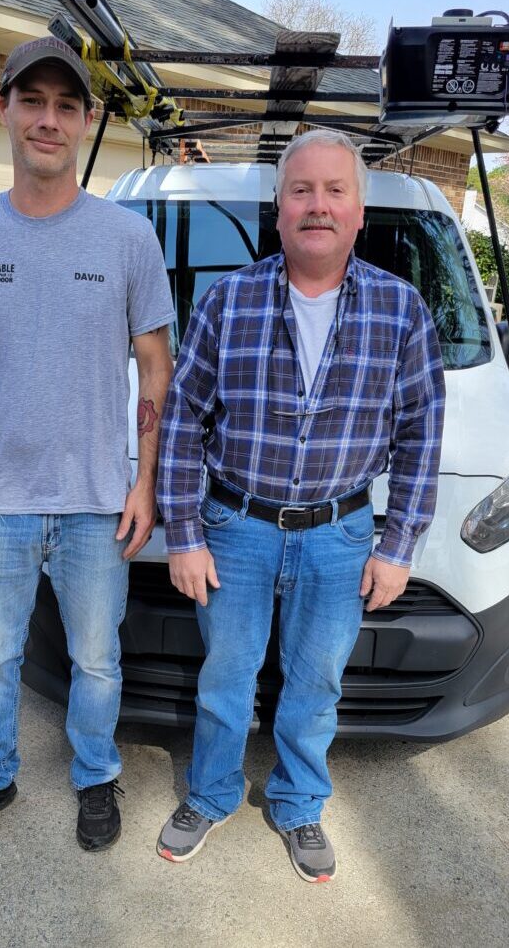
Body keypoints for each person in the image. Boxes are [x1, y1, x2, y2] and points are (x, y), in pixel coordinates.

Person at [155, 129, 445, 882]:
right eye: (301, 190)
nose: (318, 205)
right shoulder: (229, 299)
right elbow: (184, 418)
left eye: (334, 191)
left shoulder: (401, 309)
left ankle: (298, 802)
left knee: (317, 681)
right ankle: (211, 793)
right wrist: (182, 532)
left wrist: (399, 543)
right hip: (236, 528)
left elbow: (420, 434)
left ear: (358, 211)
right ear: (278, 209)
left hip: (339, 533)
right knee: (227, 673)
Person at [0, 37, 175, 856]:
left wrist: (144, 482)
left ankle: (96, 773)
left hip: (98, 496)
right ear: (3, 108)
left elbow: (155, 365)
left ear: (87, 119)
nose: (49, 119)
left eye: (67, 105)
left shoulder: (127, 238)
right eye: (33, 100)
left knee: (97, 660)